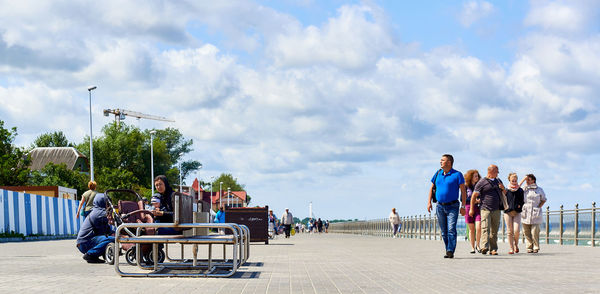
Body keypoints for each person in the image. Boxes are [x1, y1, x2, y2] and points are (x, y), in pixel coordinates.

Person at [427, 154, 467, 259]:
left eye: (442, 160)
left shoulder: (458, 174)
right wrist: (429, 202)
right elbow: (432, 188)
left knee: (451, 229)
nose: (440, 162)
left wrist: (463, 206)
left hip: (453, 205)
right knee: (444, 232)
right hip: (439, 206)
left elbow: (463, 191)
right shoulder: (438, 173)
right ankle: (448, 248)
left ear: (449, 162)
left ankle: (450, 250)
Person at [470, 165, 506, 255]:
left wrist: (503, 188)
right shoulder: (482, 182)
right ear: (491, 171)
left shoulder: (499, 181)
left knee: (494, 230)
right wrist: (471, 209)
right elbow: (474, 196)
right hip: (485, 208)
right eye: (496, 171)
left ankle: (493, 249)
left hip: (497, 209)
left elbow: (505, 193)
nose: (498, 173)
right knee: (485, 228)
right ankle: (484, 247)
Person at [76, 193, 115, 263]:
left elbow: (107, 230)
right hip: (85, 243)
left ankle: (97, 254)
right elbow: (114, 217)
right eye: (107, 202)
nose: (109, 205)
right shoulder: (100, 213)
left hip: (84, 242)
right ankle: (90, 255)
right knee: (112, 239)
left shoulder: (96, 211)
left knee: (112, 236)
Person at [520, 174, 546, 253]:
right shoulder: (523, 189)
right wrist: (523, 179)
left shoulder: (539, 189)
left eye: (529, 179)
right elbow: (516, 188)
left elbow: (544, 199)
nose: (527, 181)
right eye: (526, 180)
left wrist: (539, 207)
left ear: (533, 180)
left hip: (535, 212)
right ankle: (529, 246)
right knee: (526, 231)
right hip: (525, 211)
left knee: (535, 231)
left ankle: (536, 246)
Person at [504, 173, 524, 254]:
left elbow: (522, 200)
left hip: (517, 212)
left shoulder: (520, 190)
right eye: (513, 180)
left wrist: (520, 205)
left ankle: (516, 244)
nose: (514, 182)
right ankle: (511, 248)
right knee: (509, 231)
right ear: (509, 180)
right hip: (508, 212)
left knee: (516, 230)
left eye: (515, 180)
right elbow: (503, 199)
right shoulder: (506, 190)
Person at [464, 170, 482, 253]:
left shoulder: (480, 186)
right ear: (470, 177)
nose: (477, 177)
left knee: (479, 227)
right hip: (468, 208)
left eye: (477, 176)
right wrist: (473, 200)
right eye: (475, 176)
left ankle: (478, 245)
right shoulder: (466, 186)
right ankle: (472, 247)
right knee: (471, 229)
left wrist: (478, 200)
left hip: (478, 208)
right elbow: (462, 199)